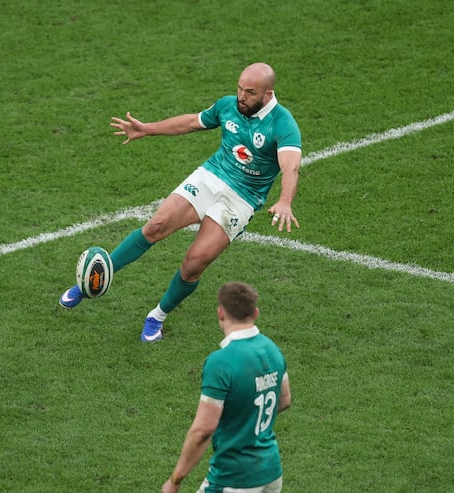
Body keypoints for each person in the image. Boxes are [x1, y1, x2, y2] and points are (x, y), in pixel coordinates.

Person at [59, 62, 302, 342]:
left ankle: (157, 316)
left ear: (267, 95)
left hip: (242, 198)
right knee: (155, 226)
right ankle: (92, 279)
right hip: (211, 176)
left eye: (249, 93)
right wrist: (147, 129)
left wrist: (285, 200)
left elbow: (291, 165)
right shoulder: (228, 106)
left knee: (194, 263)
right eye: (239, 89)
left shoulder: (283, 124)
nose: (241, 97)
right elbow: (191, 122)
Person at [162, 281, 292, 493]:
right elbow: (284, 400)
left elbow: (203, 430)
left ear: (220, 313)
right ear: (255, 313)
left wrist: (175, 480)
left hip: (234, 478)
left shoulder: (221, 362)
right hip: (271, 472)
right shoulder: (273, 349)